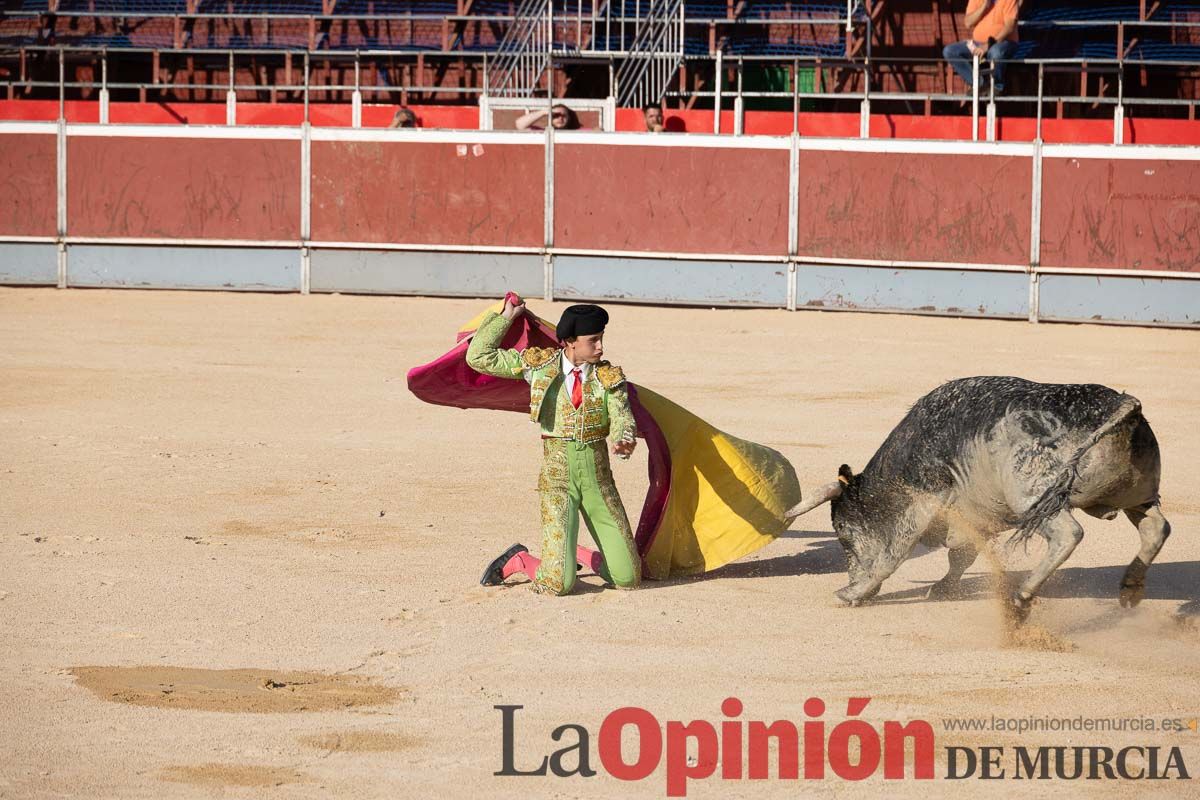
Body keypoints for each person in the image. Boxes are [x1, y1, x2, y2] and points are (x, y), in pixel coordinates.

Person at [466, 296, 641, 596]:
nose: (601, 347)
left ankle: (578, 554)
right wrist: (506, 317)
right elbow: (479, 356)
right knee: (558, 584)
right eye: (593, 340)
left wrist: (624, 439)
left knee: (627, 578)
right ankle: (521, 560)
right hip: (558, 481)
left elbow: (623, 417)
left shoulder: (608, 377)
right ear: (570, 342)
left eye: (601, 339)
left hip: (599, 483)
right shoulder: (539, 366)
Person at [942, 0, 1021, 93]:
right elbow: (968, 22)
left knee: (996, 52)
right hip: (978, 42)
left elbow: (1009, 27)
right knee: (950, 51)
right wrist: (984, 6)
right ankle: (978, 83)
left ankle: (997, 86)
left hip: (1003, 42)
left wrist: (988, 44)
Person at [514, 104, 581, 131]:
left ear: (568, 119)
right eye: (556, 115)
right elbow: (519, 124)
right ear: (550, 117)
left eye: (564, 116)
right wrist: (543, 112)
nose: (560, 118)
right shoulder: (543, 131)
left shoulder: (577, 132)